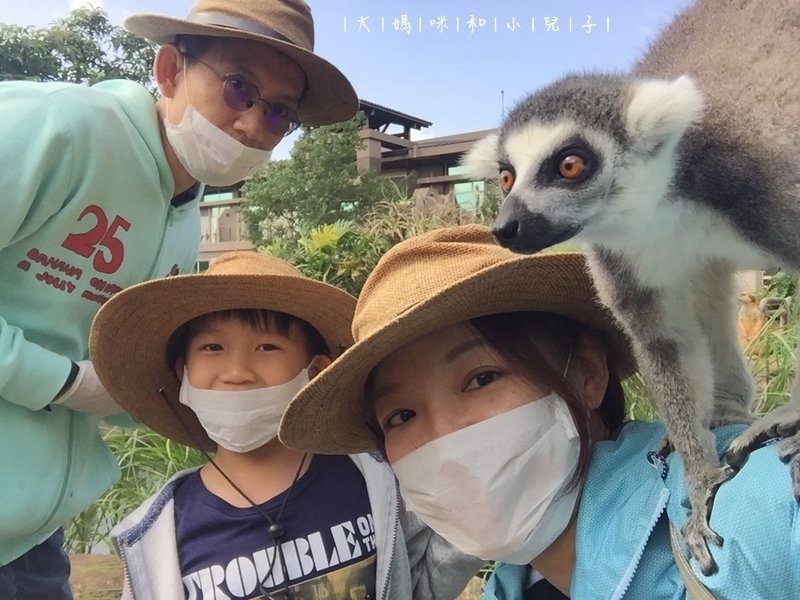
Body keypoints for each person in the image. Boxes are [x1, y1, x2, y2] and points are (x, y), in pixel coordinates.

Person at [0, 0, 358, 595]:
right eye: (240, 88)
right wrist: (57, 381)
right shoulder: (61, 127)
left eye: (279, 114)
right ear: (169, 70)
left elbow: (133, 372)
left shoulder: (183, 214)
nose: (253, 125)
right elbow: (73, 377)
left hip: (34, 540)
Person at [278, 224, 799, 600]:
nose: (446, 439)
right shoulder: (512, 584)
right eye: (401, 416)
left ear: (587, 372)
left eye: (482, 378)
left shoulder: (750, 515)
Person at [88, 250, 482, 599]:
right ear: (182, 373)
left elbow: (422, 578)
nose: (237, 372)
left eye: (267, 347)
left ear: (316, 372)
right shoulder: (157, 536)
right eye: (212, 348)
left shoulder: (377, 477)